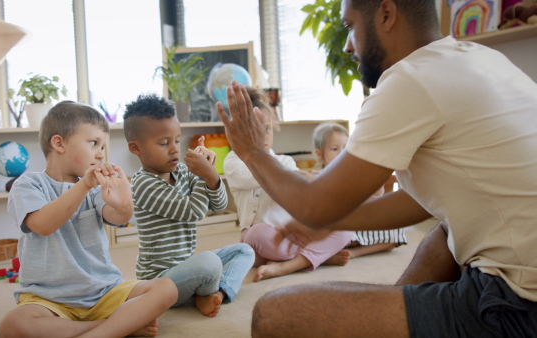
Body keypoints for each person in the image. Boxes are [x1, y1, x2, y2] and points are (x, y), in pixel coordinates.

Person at [216, 0, 537, 336]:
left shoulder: (411, 78)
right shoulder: (479, 57)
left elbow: (314, 204)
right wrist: (334, 219)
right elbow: (423, 200)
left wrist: (252, 151)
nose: (348, 44)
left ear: (386, 14)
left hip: (518, 303)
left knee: (272, 315)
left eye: (351, 26)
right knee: (444, 235)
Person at [0, 100, 178, 338]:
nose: (100, 153)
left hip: (104, 291)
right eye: (94, 143)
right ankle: (111, 326)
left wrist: (124, 201)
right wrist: (83, 185)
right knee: (12, 326)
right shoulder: (28, 184)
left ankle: (100, 331)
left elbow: (117, 216)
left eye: (103, 146)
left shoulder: (94, 189)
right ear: (59, 143)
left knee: (166, 288)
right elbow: (42, 225)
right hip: (48, 299)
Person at [123, 93, 255, 318]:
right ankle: (204, 290)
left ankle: (217, 292)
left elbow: (219, 203)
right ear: (136, 148)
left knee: (244, 250)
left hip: (187, 266)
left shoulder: (182, 171)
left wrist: (211, 174)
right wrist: (203, 173)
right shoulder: (143, 183)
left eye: (177, 140)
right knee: (209, 262)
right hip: (159, 280)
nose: (175, 149)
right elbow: (194, 212)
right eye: (164, 143)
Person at [224, 87, 353, 282]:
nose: (263, 135)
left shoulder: (286, 161)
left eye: (267, 129)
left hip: (292, 235)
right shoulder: (233, 162)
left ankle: (291, 264)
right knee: (254, 239)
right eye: (255, 129)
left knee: (346, 228)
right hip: (260, 238)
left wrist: (309, 182)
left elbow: (298, 193)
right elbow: (262, 175)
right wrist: (297, 177)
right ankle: (316, 256)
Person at [311, 121, 407, 258]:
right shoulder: (316, 177)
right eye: (334, 149)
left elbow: (376, 196)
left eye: (346, 148)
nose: (341, 153)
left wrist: (376, 179)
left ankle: (354, 253)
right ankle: (331, 252)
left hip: (359, 229)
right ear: (319, 154)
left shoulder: (357, 175)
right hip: (336, 231)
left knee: (398, 226)